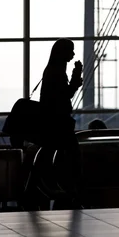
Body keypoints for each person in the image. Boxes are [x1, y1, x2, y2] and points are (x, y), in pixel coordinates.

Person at [38, 38, 83, 206]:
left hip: (54, 122)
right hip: (59, 123)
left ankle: (59, 191)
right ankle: (73, 193)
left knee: (50, 155)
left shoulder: (52, 70)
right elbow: (66, 94)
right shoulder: (57, 71)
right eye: (70, 50)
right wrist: (76, 76)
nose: (72, 54)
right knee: (74, 158)